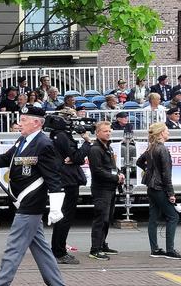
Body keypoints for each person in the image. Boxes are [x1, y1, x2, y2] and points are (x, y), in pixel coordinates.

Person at [0, 105, 70, 286]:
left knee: (13, 251)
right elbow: (5, 160)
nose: (19, 123)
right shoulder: (22, 140)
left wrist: (56, 207)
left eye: (23, 120)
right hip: (22, 203)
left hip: (31, 206)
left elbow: (54, 179)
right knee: (42, 250)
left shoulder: (44, 144)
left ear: (36, 123)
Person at [48, 109, 91, 265]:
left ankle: (58, 250)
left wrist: (74, 158)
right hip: (67, 180)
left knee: (64, 217)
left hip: (66, 179)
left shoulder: (58, 135)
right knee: (64, 217)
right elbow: (77, 158)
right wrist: (87, 142)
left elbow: (73, 158)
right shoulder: (62, 136)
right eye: (71, 118)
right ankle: (59, 252)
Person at [136, 123, 181, 260]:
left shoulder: (151, 147)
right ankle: (170, 250)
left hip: (151, 187)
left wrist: (148, 172)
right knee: (173, 216)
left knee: (153, 218)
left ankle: (155, 249)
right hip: (159, 187)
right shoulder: (162, 149)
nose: (168, 133)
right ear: (161, 133)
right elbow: (166, 174)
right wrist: (171, 193)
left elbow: (139, 162)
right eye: (167, 131)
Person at [88, 120, 124, 261]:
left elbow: (111, 166)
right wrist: (115, 178)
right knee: (100, 219)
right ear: (97, 133)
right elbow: (97, 171)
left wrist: (118, 174)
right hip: (101, 188)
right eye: (105, 131)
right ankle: (95, 249)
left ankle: (102, 244)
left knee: (107, 218)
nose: (108, 133)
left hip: (110, 187)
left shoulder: (107, 147)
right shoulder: (95, 149)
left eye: (109, 131)